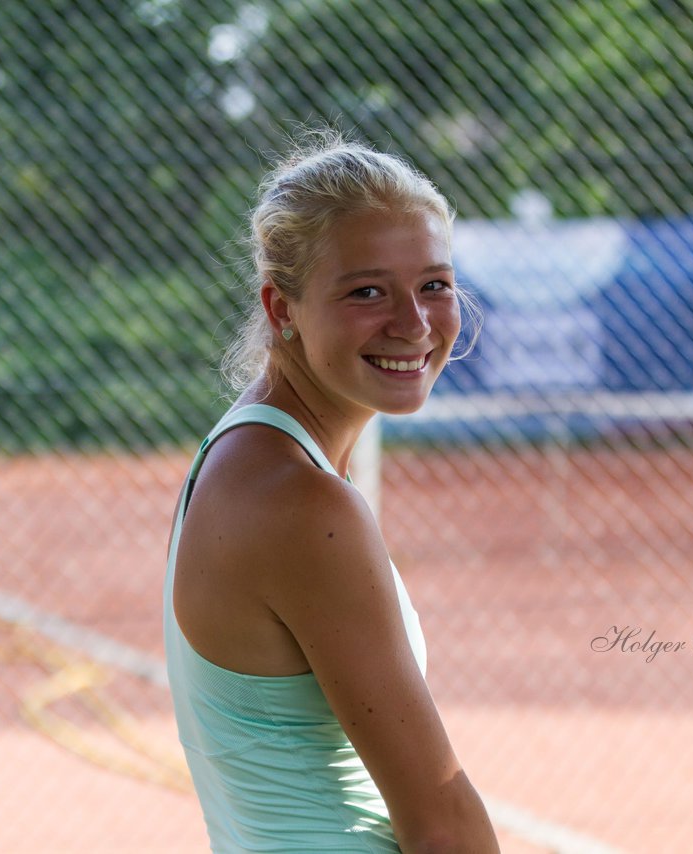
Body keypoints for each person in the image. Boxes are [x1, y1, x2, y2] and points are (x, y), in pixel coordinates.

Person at [162, 135, 499, 852]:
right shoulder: (301, 502)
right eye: (367, 291)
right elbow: (441, 821)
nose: (414, 323)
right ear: (281, 308)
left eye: (434, 284)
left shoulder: (242, 454)